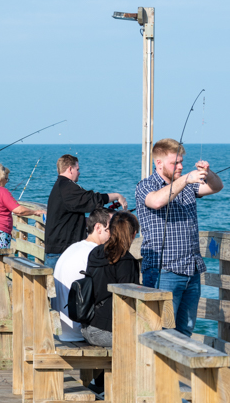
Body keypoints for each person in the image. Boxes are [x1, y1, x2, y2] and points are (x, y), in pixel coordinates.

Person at [137, 138, 223, 337]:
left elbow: (216, 187)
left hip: (191, 270)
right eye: (175, 163)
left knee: (185, 332)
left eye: (182, 162)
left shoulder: (188, 187)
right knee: (160, 331)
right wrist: (185, 179)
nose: (180, 166)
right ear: (158, 163)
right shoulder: (145, 186)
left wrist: (207, 173)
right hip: (163, 271)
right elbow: (157, 202)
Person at [45, 154, 128, 269]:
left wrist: (91, 221)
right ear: (70, 169)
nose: (79, 172)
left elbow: (67, 217)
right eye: (77, 169)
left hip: (58, 249)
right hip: (61, 252)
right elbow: (92, 200)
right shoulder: (67, 187)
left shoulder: (60, 186)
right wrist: (116, 196)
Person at [81, 212, 141, 347]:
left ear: (110, 230)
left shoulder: (95, 252)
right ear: (133, 234)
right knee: (149, 343)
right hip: (107, 331)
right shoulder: (126, 261)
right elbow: (129, 302)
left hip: (87, 328)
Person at [52, 208, 113, 341]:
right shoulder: (95, 253)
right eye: (111, 229)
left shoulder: (74, 247)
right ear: (98, 228)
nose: (114, 234)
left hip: (61, 329)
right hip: (77, 332)